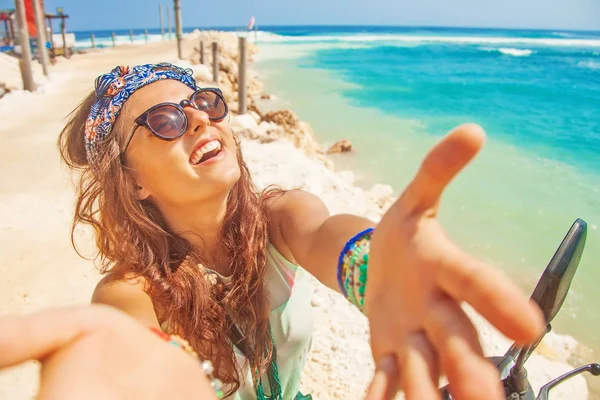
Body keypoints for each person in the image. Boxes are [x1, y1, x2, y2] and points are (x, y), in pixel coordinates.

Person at [3, 62, 544, 400]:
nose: (198, 119)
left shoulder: (280, 217)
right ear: (133, 181)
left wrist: (376, 268)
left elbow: (326, 233)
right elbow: (128, 352)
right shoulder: (133, 292)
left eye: (205, 103)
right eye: (165, 121)